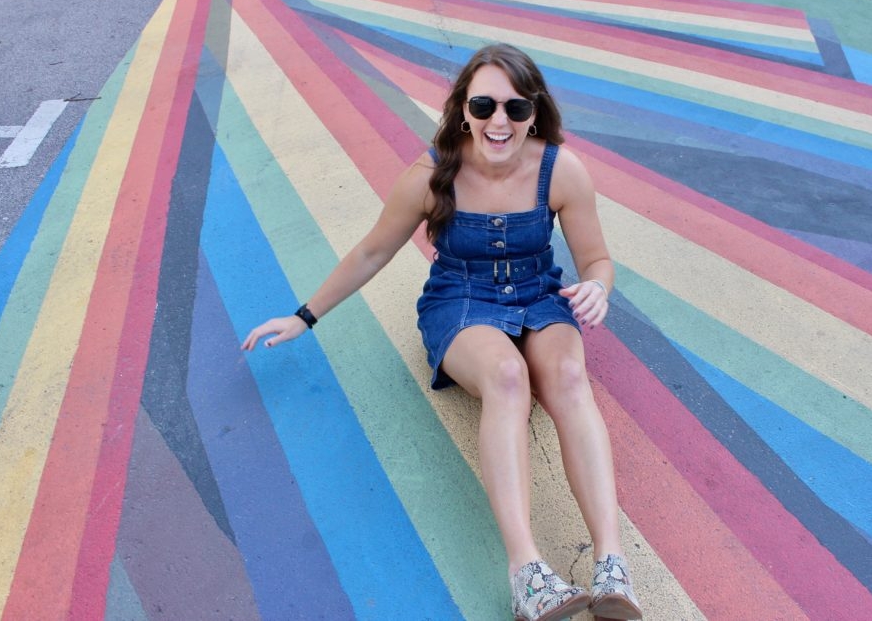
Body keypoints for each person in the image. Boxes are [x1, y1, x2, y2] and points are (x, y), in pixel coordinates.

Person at [241, 43, 642, 621]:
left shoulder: (562, 169)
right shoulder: (432, 174)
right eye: (483, 106)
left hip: (537, 294)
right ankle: (526, 571)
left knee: (568, 376)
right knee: (508, 378)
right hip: (461, 300)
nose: (499, 122)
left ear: (535, 112)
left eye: (515, 107)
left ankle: (612, 564)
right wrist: (304, 316)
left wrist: (598, 288)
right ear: (462, 111)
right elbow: (374, 249)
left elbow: (597, 260)